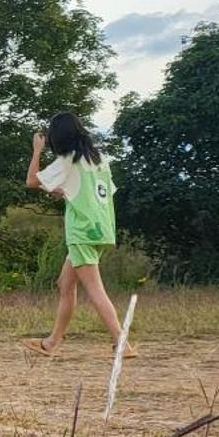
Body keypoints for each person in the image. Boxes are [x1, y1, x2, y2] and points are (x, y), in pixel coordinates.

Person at [23, 112, 132, 357]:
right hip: (101, 228)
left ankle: (122, 342)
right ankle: (52, 342)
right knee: (65, 284)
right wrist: (65, 191)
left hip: (81, 231)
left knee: (94, 289)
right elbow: (101, 192)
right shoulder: (99, 158)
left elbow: (31, 180)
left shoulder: (67, 161)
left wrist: (37, 150)